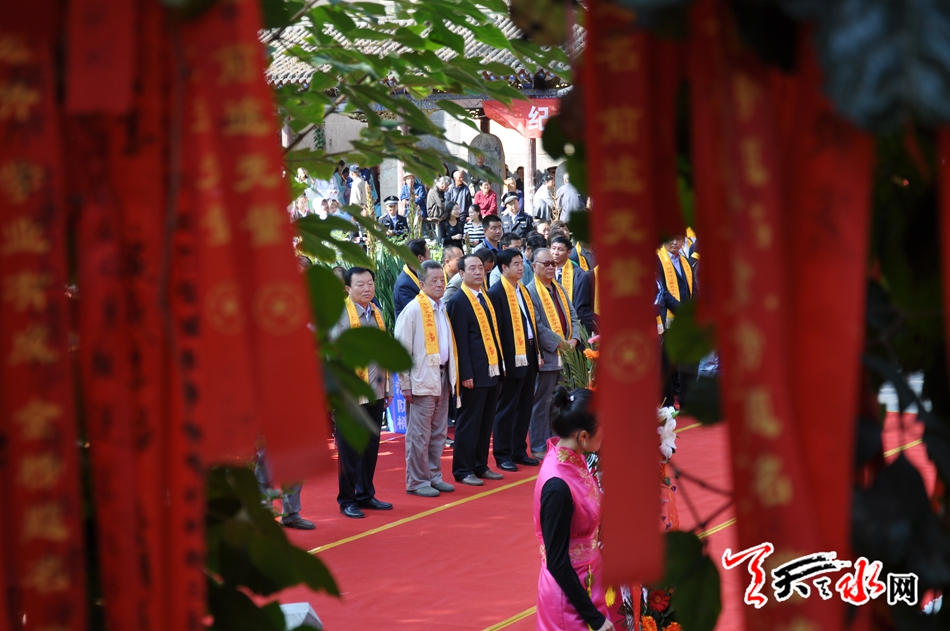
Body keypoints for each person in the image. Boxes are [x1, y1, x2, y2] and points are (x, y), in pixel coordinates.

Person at [534, 387, 612, 631]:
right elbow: (557, 562)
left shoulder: (572, 458)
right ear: (583, 436)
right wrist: (595, 618)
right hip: (568, 597)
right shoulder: (557, 485)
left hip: (587, 582)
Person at [331, 267, 394, 519]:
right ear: (347, 288)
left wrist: (387, 388)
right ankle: (347, 499)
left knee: (370, 447)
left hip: (376, 391)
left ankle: (365, 494)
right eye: (360, 285)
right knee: (349, 450)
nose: (367, 288)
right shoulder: (340, 315)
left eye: (370, 283)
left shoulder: (376, 313)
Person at [394, 260, 459, 498]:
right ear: (421, 284)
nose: (441, 284)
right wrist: (405, 384)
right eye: (434, 281)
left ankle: (434, 475)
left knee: (439, 432)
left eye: (442, 279)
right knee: (419, 434)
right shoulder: (413, 310)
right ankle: (417, 480)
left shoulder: (442, 307)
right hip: (421, 380)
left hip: (441, 376)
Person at [446, 254, 505, 486]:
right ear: (461, 274)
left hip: (491, 370)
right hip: (473, 374)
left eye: (481, 267)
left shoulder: (485, 297)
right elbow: (459, 341)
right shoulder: (459, 302)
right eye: (472, 268)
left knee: (485, 422)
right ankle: (463, 469)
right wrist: (465, 373)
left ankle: (480, 465)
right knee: (469, 423)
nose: (479, 272)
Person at [488, 249, 541, 472]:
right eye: (516, 264)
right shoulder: (497, 292)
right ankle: (503, 453)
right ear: (504, 268)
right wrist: (501, 361)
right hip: (510, 357)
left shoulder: (523, 290)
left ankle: (519, 449)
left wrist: (537, 352)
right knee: (507, 406)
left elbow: (531, 324)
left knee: (525, 405)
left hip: (528, 352)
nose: (521, 267)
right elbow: (495, 331)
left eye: (522, 263)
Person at [526, 248, 581, 456]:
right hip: (548, 355)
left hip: (567, 354)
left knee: (561, 402)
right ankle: (539, 445)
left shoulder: (559, 288)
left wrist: (574, 339)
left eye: (553, 263)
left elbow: (573, 316)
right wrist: (562, 344)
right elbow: (538, 326)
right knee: (542, 402)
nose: (550, 267)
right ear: (534, 267)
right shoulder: (530, 291)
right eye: (545, 264)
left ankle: (557, 440)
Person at [550, 235, 595, 334]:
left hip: (574, 327)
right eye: (553, 249)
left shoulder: (579, 274)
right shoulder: (546, 271)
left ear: (569, 253)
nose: (555, 253)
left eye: (560, 250)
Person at [393, 238, 430, 319]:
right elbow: (415, 313)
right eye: (429, 255)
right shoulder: (404, 285)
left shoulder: (420, 274)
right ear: (420, 258)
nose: (430, 259)